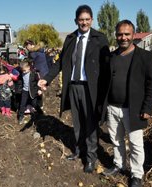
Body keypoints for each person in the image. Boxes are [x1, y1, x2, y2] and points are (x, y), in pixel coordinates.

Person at [38, 5, 110, 173]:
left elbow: (107, 66)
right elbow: (60, 63)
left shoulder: (100, 39)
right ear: (76, 20)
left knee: (91, 124)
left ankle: (91, 157)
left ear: (91, 20)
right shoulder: (70, 38)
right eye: (81, 19)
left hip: (90, 88)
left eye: (87, 19)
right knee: (77, 123)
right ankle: (79, 150)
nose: (84, 22)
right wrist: (47, 79)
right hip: (73, 87)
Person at [100, 20, 152, 187]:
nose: (123, 37)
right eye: (120, 34)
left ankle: (136, 175)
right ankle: (118, 164)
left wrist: (147, 107)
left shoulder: (144, 57)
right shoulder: (111, 56)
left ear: (133, 35)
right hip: (112, 107)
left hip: (133, 110)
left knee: (135, 145)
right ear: (116, 35)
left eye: (127, 34)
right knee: (116, 140)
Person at [18, 60, 42, 125]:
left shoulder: (33, 73)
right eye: (22, 70)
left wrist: (39, 89)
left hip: (33, 90)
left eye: (24, 70)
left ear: (28, 67)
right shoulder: (21, 73)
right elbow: (20, 81)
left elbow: (38, 82)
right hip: (25, 90)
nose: (23, 72)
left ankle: (37, 113)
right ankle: (21, 116)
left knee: (34, 103)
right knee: (22, 104)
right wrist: (19, 89)